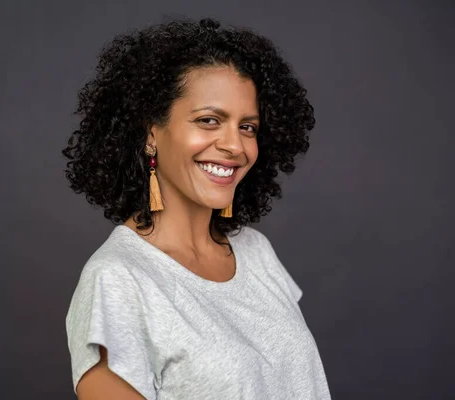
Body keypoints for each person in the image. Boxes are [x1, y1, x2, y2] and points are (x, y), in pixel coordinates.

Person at [62, 17, 331, 400]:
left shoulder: (255, 252)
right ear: (152, 131)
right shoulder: (116, 281)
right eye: (209, 121)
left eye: (248, 127)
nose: (235, 146)